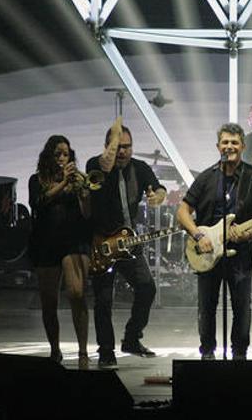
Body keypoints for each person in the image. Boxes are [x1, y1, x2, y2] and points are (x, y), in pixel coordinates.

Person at [176, 123, 252, 360]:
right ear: (218, 146)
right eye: (225, 142)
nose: (229, 146)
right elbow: (183, 211)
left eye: (234, 142)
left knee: (241, 307)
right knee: (206, 307)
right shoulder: (206, 178)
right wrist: (198, 235)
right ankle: (207, 353)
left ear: (242, 146)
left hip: (240, 253)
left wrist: (249, 232)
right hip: (207, 251)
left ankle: (239, 355)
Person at [86, 117, 167, 369]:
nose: (123, 151)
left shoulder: (139, 168)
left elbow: (159, 187)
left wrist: (158, 196)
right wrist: (115, 133)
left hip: (129, 243)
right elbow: (106, 163)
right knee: (103, 300)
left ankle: (132, 338)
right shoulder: (95, 165)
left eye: (127, 146)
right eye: (118, 146)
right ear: (108, 146)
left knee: (147, 288)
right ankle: (106, 351)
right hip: (102, 243)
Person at [28, 135, 92, 370]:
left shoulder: (77, 182)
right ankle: (55, 350)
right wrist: (64, 182)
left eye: (66, 154)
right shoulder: (37, 180)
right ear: (49, 157)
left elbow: (86, 215)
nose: (63, 158)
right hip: (46, 242)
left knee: (77, 294)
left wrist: (84, 193)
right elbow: (39, 202)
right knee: (49, 301)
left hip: (74, 242)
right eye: (58, 154)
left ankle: (83, 351)